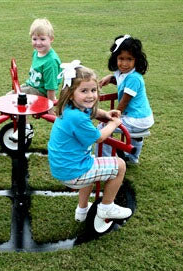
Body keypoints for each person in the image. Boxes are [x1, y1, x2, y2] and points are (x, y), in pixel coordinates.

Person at [48, 61, 132, 223]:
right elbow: (99, 137)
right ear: (71, 93)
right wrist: (113, 123)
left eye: (93, 90)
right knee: (120, 165)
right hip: (73, 171)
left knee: (92, 165)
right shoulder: (77, 118)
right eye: (84, 91)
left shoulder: (70, 108)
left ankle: (82, 210)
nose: (90, 95)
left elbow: (91, 110)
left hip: (64, 166)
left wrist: (106, 114)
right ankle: (107, 206)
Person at [98, 35, 154, 164]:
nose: (124, 63)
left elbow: (125, 100)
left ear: (136, 60)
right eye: (121, 58)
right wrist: (111, 78)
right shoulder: (123, 73)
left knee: (103, 127)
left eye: (129, 59)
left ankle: (105, 160)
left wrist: (115, 116)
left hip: (138, 119)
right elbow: (121, 80)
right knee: (133, 135)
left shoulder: (134, 78)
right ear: (115, 58)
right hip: (142, 117)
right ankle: (132, 158)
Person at [8, 18, 62, 142]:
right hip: (31, 86)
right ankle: (21, 125)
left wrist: (50, 105)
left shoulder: (51, 61)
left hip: (41, 92)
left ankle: (25, 128)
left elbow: (51, 86)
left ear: (51, 39)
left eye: (42, 39)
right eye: (34, 39)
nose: (38, 43)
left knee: (15, 101)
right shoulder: (36, 53)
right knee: (10, 98)